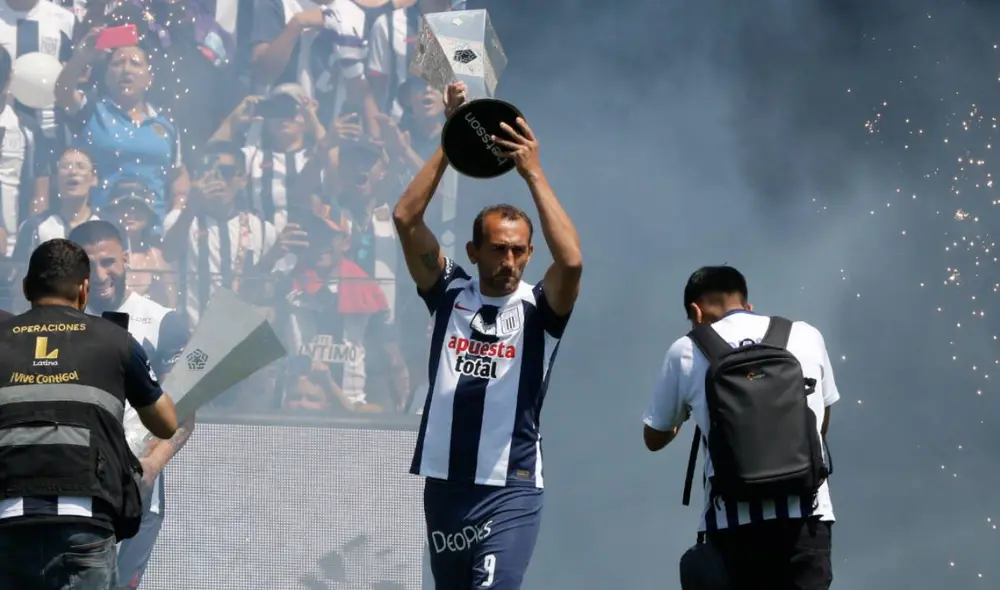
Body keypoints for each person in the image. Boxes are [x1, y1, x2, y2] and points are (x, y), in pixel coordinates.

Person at [393, 82, 582, 590]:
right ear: (473, 251)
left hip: (512, 488)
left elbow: (572, 260)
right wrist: (450, 140)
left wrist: (532, 172)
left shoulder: (542, 308)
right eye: (499, 249)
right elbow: (405, 218)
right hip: (446, 485)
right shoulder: (449, 290)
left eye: (520, 251)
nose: (510, 261)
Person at [642, 266, 838, 590]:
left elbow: (654, 436)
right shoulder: (806, 335)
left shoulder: (687, 350)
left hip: (733, 525)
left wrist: (685, 417)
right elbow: (820, 425)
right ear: (747, 304)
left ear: (696, 311)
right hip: (808, 518)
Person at [0, 238, 178, 589]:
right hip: (86, 525)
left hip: (7, 522)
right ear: (84, 289)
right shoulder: (116, 340)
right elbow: (166, 423)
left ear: (25, 288)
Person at [68, 219, 193, 590]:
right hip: (73, 487)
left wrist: (152, 465)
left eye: (108, 262)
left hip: (138, 494)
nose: (101, 274)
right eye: (89, 265)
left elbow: (185, 407)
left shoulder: (164, 323)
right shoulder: (57, 322)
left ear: (126, 259)